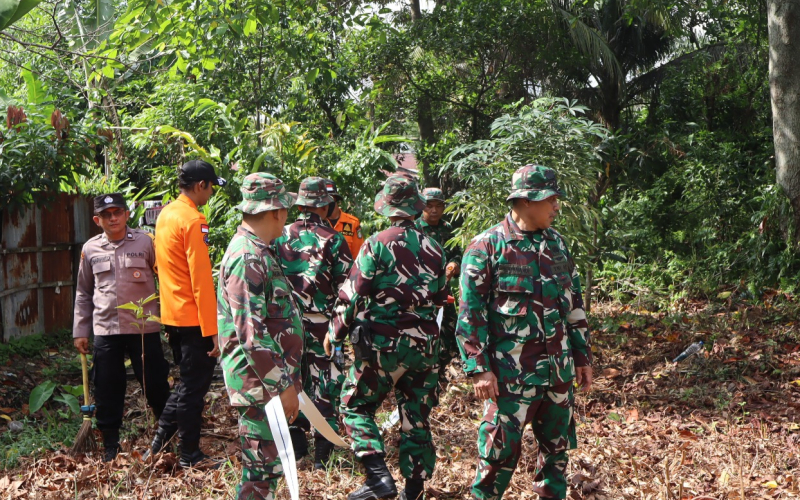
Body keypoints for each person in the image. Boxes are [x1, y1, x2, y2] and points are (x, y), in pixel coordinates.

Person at [456, 165, 593, 500]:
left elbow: (573, 304)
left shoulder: (557, 244)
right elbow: (470, 314)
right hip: (510, 377)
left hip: (557, 374)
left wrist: (581, 355)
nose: (557, 206)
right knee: (497, 456)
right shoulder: (487, 247)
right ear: (526, 201)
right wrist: (479, 367)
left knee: (556, 458)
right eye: (551, 199)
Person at [324, 175, 447, 500]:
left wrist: (335, 330)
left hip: (384, 345)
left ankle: (378, 478)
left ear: (389, 208)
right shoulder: (434, 248)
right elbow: (440, 296)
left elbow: (353, 294)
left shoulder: (376, 243)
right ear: (416, 208)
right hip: (425, 347)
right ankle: (414, 492)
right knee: (416, 417)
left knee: (354, 406)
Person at [217, 173, 304, 500]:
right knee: (259, 476)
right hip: (261, 387)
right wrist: (282, 386)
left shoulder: (259, 251)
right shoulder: (246, 256)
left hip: (266, 384)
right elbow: (251, 335)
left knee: (267, 472)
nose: (287, 217)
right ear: (277, 211)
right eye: (285, 209)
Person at [73, 193, 171, 462]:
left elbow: (166, 278)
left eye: (118, 212)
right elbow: (83, 292)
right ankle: (110, 447)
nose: (113, 218)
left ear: (127, 214)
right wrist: (80, 330)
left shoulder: (145, 242)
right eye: (106, 214)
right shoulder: (90, 249)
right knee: (107, 388)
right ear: (97, 220)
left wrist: (171, 319)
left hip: (144, 329)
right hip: (106, 330)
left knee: (155, 385)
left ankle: (168, 435)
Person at [148, 159, 226, 467]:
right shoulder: (194, 220)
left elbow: (160, 266)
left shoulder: (166, 214)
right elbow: (201, 279)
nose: (210, 194)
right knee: (194, 390)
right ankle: (189, 454)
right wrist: (213, 330)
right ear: (200, 186)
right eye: (210, 187)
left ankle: (157, 445)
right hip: (194, 319)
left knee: (185, 385)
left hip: (172, 315)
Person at [273, 177, 353, 469]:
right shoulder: (333, 239)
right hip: (323, 327)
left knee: (292, 382)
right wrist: (340, 328)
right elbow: (347, 288)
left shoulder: (279, 235)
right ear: (325, 205)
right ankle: (324, 455)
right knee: (326, 385)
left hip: (286, 326)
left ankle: (295, 448)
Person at [415, 187, 461, 392]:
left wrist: (453, 265)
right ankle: (421, 373)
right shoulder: (415, 229)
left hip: (444, 293)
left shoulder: (448, 229)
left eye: (438, 206)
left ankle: (439, 369)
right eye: (429, 206)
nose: (434, 210)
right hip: (421, 294)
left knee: (450, 332)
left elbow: (458, 254)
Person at [322, 178, 365, 257]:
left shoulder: (352, 223)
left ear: (334, 198)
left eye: (328, 198)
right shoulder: (317, 222)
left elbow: (358, 256)